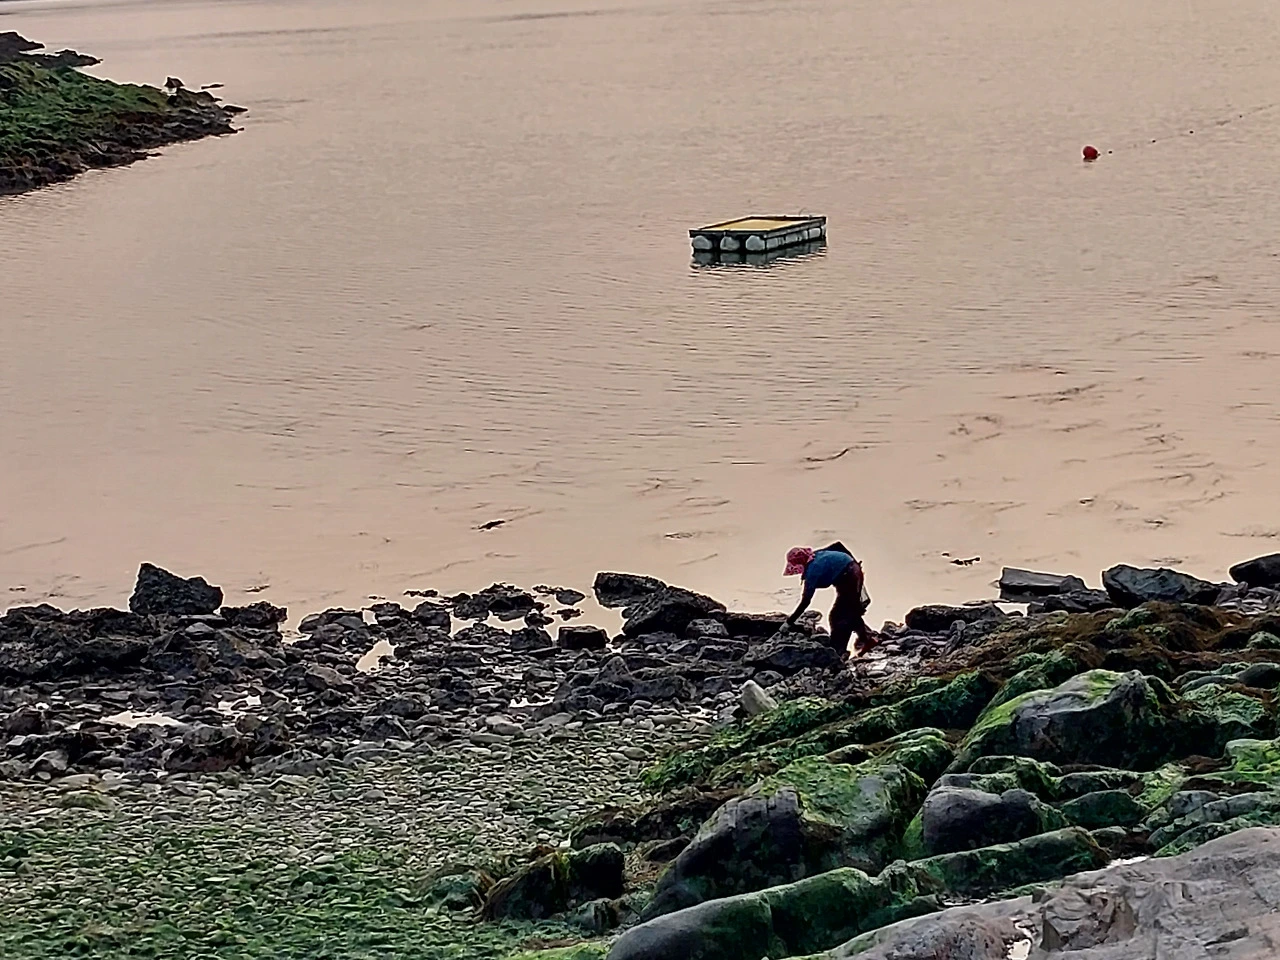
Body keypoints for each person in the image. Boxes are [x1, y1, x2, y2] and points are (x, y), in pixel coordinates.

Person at [783, 541, 878, 657]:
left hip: (849, 577)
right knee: (851, 612)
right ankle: (866, 640)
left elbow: (806, 601)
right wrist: (854, 563)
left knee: (837, 616)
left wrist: (789, 622)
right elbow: (838, 545)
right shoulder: (816, 554)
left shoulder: (813, 571)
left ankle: (838, 651)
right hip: (852, 571)